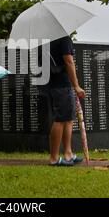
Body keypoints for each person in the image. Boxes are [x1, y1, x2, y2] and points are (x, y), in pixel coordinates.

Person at [45, 35, 86, 166]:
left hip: (55, 83)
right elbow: (68, 61)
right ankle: (54, 158)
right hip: (62, 84)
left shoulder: (49, 38)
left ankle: (68, 154)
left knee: (68, 119)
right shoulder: (63, 37)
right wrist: (76, 85)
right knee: (61, 119)